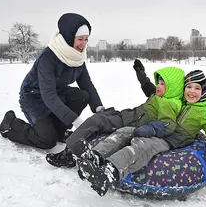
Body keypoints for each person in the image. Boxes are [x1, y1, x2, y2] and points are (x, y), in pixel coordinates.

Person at [76, 60, 206, 196]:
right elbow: (155, 92)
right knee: (124, 132)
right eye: (189, 87)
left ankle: (110, 172)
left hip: (169, 141)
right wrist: (143, 78)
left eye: (197, 88)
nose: (192, 91)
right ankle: (95, 156)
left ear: (204, 92)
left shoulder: (204, 113)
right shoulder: (178, 99)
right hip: (158, 129)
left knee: (142, 146)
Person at [45, 65, 185, 171]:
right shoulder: (161, 96)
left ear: (172, 87)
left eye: (162, 84)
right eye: (159, 83)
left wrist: (150, 129)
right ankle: (76, 141)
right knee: (101, 116)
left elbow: (168, 124)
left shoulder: (169, 104)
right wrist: (142, 77)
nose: (158, 87)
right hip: (127, 116)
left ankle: (69, 154)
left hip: (131, 123)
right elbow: (150, 90)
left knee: (97, 120)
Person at [0, 13, 104, 149]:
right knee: (47, 140)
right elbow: (48, 95)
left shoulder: (77, 57)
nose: (83, 44)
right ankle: (11, 124)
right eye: (80, 39)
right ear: (69, 36)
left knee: (82, 96)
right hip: (34, 97)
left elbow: (87, 84)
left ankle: (60, 132)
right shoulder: (48, 57)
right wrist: (74, 120)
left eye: (86, 39)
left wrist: (99, 108)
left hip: (57, 93)